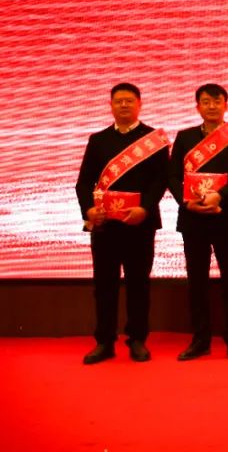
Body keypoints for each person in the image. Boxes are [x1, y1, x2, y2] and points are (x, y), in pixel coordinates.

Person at [75, 83, 170, 364]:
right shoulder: (98, 140)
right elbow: (84, 182)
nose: (124, 105)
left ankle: (137, 339)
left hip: (139, 223)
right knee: (104, 285)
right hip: (105, 224)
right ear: (111, 105)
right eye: (119, 101)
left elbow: (160, 180)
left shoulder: (153, 140)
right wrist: (88, 210)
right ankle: (104, 341)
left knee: (138, 284)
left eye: (129, 100)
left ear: (140, 104)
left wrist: (145, 208)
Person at [167, 83, 228, 361]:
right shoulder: (185, 137)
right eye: (206, 101)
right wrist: (185, 201)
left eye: (217, 101)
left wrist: (221, 196)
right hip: (193, 218)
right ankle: (200, 340)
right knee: (197, 281)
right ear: (198, 106)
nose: (212, 106)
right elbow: (172, 175)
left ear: (226, 105)